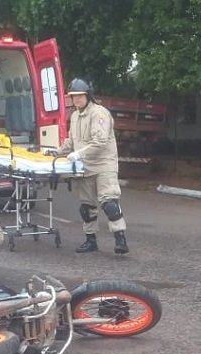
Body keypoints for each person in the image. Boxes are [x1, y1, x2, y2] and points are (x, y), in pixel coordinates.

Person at [56, 78, 129, 254]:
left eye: (80, 96)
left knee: (109, 202)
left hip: (104, 165)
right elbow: (71, 141)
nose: (76, 99)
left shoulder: (99, 114)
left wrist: (78, 154)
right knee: (87, 206)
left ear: (88, 95)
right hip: (85, 167)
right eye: (73, 96)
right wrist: (56, 152)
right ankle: (91, 240)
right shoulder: (75, 116)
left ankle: (120, 239)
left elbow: (100, 142)